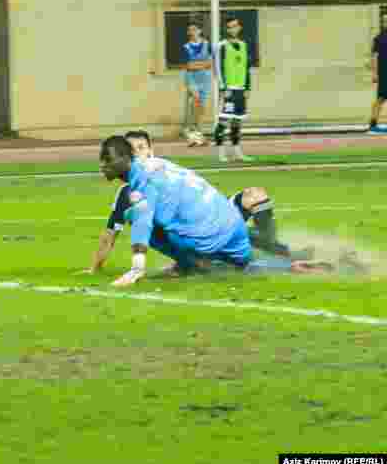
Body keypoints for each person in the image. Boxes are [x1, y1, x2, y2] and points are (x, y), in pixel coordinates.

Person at [97, 135, 327, 286]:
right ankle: (292, 263)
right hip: (231, 221)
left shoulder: (141, 184)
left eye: (107, 159)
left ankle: (192, 265)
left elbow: (143, 223)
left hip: (210, 233)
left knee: (137, 216)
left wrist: (137, 268)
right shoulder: (159, 165)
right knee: (246, 265)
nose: (102, 164)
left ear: (126, 159)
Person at [214, 15, 252, 162]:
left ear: (239, 27)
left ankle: (237, 151)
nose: (233, 29)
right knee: (224, 120)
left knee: (237, 121)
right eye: (230, 27)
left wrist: (247, 87)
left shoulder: (244, 45)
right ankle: (221, 153)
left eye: (235, 26)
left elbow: (247, 67)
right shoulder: (221, 46)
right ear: (226, 29)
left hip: (241, 89)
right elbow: (218, 67)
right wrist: (223, 88)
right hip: (229, 88)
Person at [182, 22, 211, 147]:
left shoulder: (206, 45)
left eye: (195, 29)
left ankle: (199, 135)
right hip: (192, 79)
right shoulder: (186, 47)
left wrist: (196, 65)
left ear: (200, 31)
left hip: (205, 79)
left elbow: (209, 63)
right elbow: (188, 66)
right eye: (190, 30)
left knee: (201, 109)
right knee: (194, 107)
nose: (192, 32)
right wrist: (201, 64)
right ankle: (191, 135)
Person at [371, 14, 387, 133]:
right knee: (380, 99)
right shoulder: (378, 38)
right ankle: (373, 125)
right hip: (384, 73)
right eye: (384, 21)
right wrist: (375, 73)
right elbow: (375, 57)